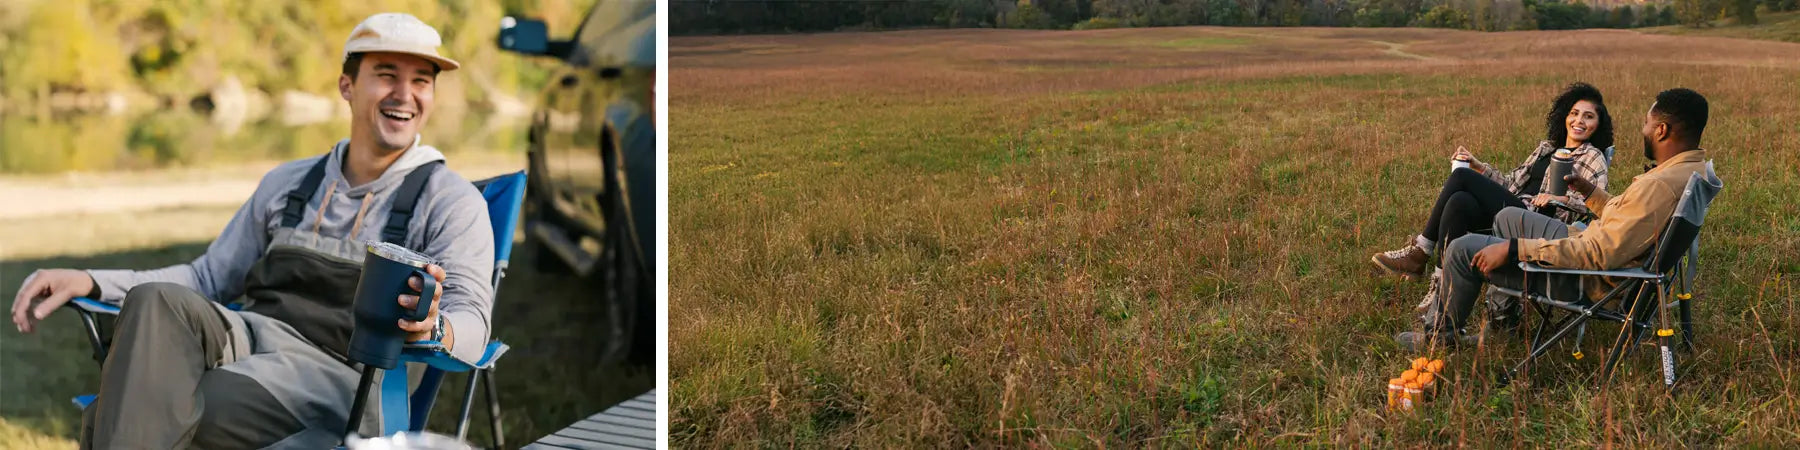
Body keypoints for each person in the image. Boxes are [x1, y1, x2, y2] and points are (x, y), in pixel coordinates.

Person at [9, 13, 495, 448]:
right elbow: (206, 280)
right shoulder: (289, 183)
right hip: (251, 339)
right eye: (386, 75)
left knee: (124, 411)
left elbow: (474, 324)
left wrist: (435, 328)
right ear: (347, 85)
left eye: (421, 81)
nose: (405, 95)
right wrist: (92, 281)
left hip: (343, 377)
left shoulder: (449, 201)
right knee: (155, 300)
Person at [1397, 88, 1719, 351]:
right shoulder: (1687, 171)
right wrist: (1591, 191)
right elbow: (1622, 223)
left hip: (1588, 278)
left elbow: (1598, 254)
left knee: (1462, 249)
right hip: (1585, 242)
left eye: (1648, 124)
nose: (1644, 130)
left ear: (1662, 130)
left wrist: (1512, 250)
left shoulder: (1658, 187)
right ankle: (1503, 322)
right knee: (1509, 216)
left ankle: (1440, 338)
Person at [1371, 82, 1616, 280]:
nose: (1579, 121)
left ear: (1597, 125)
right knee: (1459, 201)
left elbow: (1595, 205)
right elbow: (1510, 183)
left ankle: (1421, 250)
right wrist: (1479, 166)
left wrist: (1557, 197)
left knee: (1461, 176)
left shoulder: (1593, 157)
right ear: (1564, 116)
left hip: (1537, 222)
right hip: (1514, 208)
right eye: (1574, 113)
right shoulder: (1546, 148)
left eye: (1588, 117)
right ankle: (1441, 283)